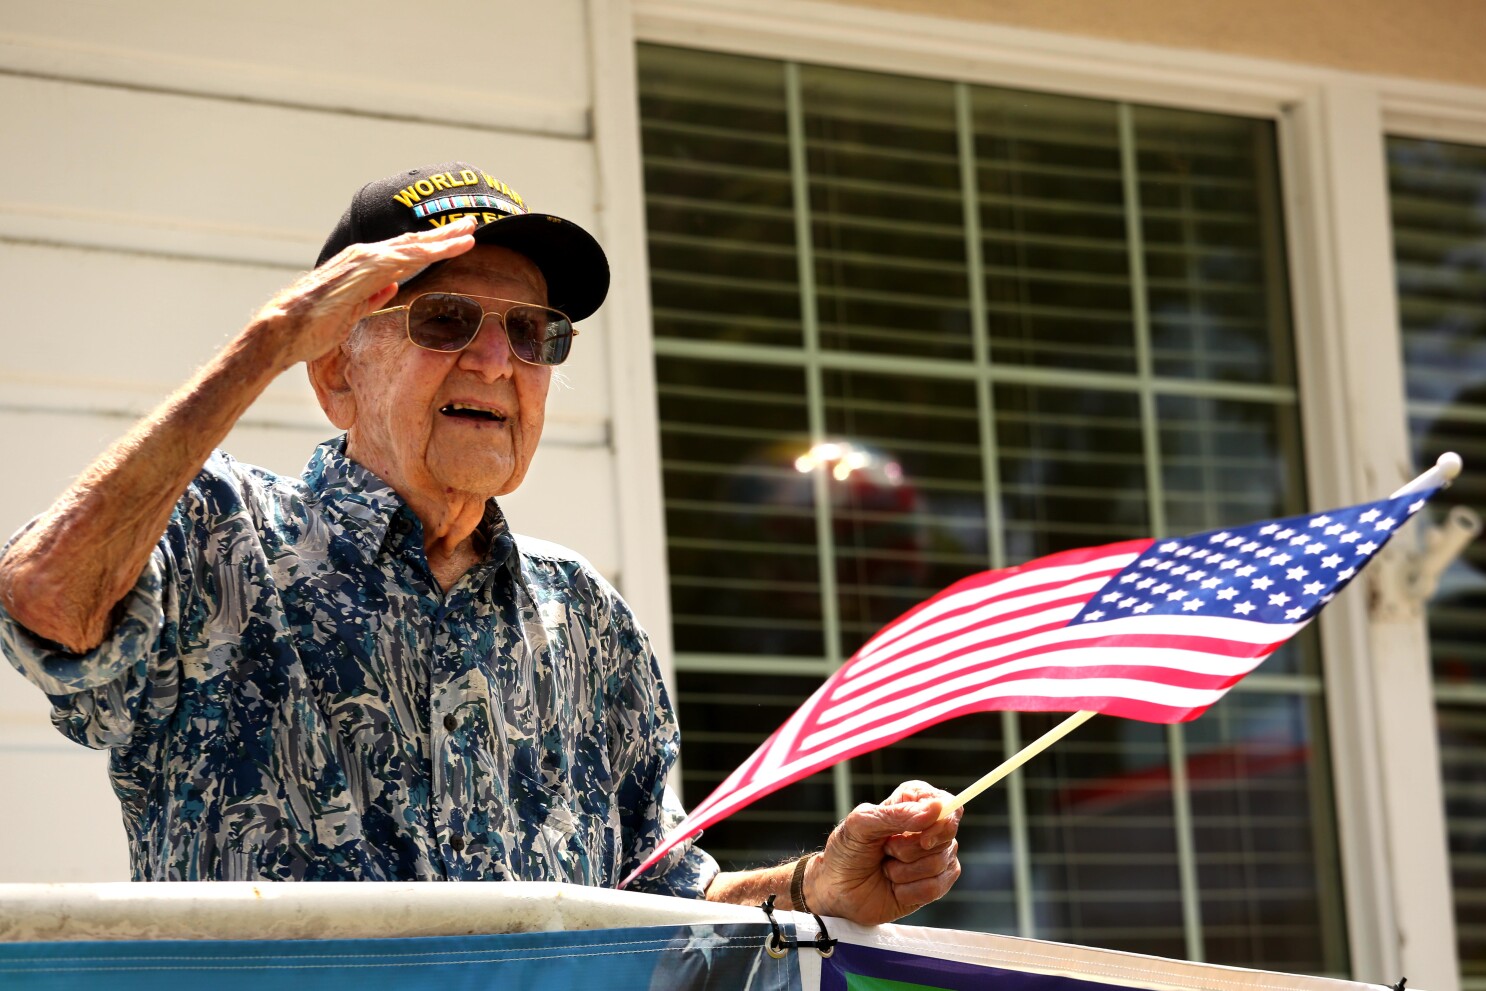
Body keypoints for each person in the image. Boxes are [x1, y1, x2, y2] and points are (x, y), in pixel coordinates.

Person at [0, 162, 961, 923]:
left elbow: (653, 901)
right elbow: (43, 595)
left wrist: (811, 888)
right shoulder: (222, 534)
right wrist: (265, 341)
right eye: (446, 318)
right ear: (335, 370)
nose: (498, 361)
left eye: (533, 331)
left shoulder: (586, 615)